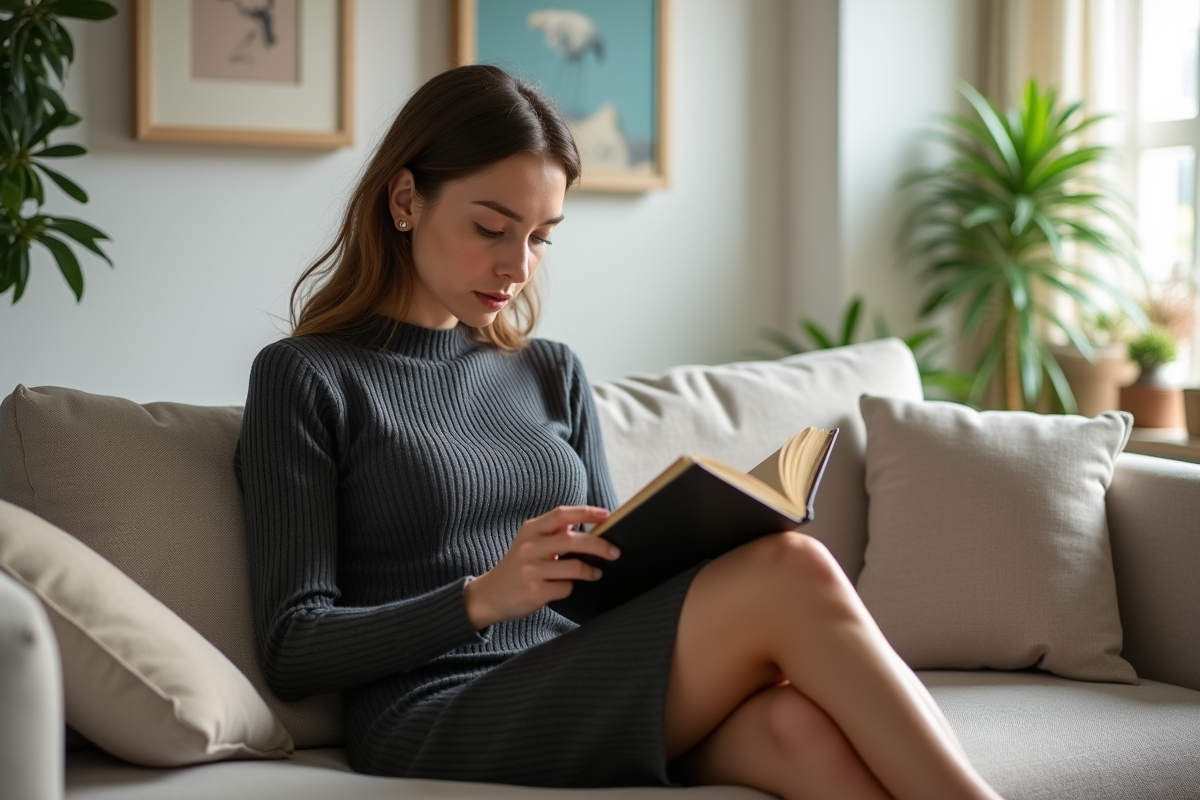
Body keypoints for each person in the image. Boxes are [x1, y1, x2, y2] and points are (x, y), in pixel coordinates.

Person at [236, 64, 1004, 800]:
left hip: (577, 671)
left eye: (541, 237)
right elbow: (292, 644)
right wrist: (481, 598)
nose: (517, 267)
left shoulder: (550, 372)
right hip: (434, 710)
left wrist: (703, 546)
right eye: (491, 228)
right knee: (794, 571)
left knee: (793, 728)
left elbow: (606, 589)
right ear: (406, 199)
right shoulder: (305, 377)